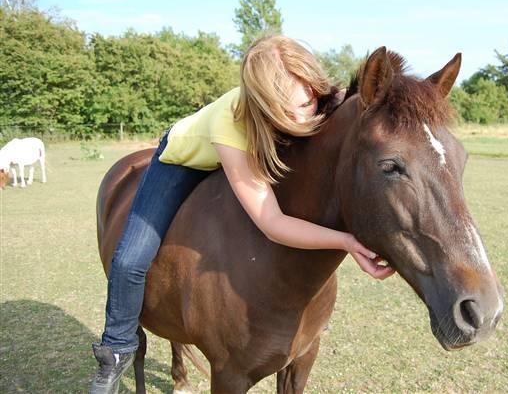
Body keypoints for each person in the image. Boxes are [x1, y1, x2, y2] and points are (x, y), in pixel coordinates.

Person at [90, 35, 395, 393]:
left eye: (309, 96)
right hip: (183, 159)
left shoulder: (320, 100)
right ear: (265, 103)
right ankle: (116, 348)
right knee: (131, 255)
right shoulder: (232, 122)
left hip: (234, 152)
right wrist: (346, 241)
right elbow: (271, 221)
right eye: (289, 107)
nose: (306, 113)